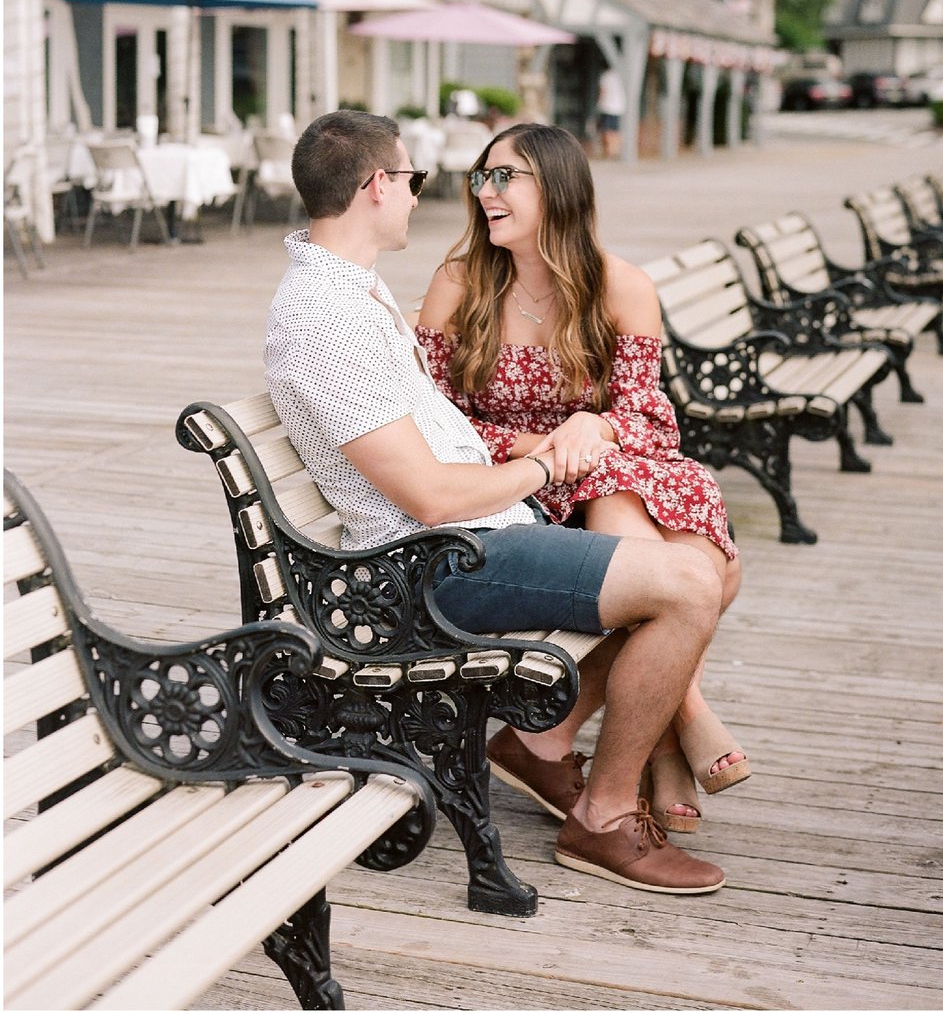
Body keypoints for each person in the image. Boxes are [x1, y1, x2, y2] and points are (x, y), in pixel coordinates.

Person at [265, 110, 726, 895]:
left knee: (693, 565)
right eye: (414, 180)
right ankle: (605, 817)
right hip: (436, 560)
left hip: (481, 530)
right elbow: (434, 497)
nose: (428, 195)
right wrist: (544, 464)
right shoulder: (324, 317)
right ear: (377, 187)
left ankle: (551, 745)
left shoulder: (352, 289)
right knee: (686, 586)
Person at [417, 122, 749, 835]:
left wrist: (593, 428)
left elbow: (649, 419)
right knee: (705, 573)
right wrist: (539, 444)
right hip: (512, 490)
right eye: (481, 177)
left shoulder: (622, 285)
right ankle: (678, 722)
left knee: (674, 525)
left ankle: (627, 745)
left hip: (609, 477)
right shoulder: (458, 283)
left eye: (507, 177)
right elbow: (429, 419)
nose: (486, 192)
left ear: (557, 186)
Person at [596, 64, 626, 158]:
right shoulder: (622, 75)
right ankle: (616, 149)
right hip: (620, 107)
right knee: (616, 130)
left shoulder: (606, 76)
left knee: (607, 130)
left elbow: (603, 91)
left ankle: (609, 151)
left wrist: (598, 104)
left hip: (607, 107)